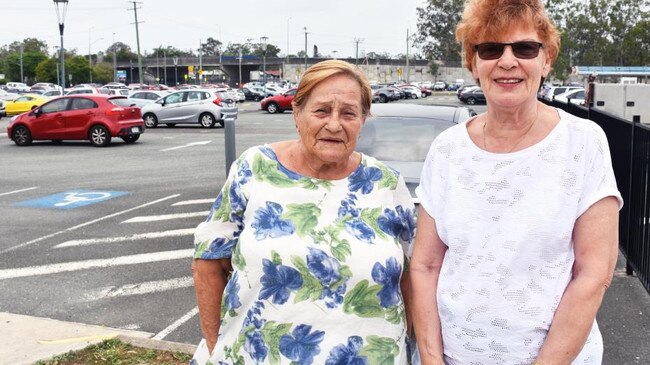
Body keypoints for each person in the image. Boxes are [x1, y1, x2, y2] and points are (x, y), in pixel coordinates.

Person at [409, 0, 623, 364]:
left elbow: (594, 274)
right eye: (491, 49)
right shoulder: (447, 149)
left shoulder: (583, 142)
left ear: (547, 59)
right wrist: (430, 358)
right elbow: (425, 266)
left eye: (524, 48)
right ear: (473, 63)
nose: (507, 61)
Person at [191, 59, 416, 365]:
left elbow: (414, 274)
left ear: (363, 120)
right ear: (297, 113)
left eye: (348, 113)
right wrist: (217, 346)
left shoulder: (386, 183)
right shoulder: (255, 168)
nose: (334, 124)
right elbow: (208, 260)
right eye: (322, 110)